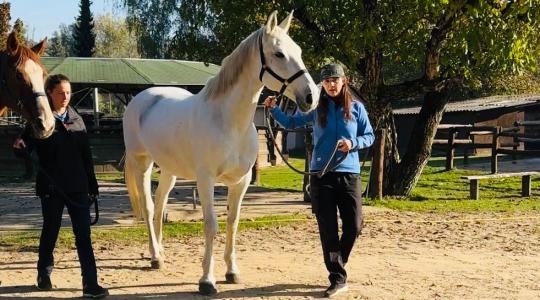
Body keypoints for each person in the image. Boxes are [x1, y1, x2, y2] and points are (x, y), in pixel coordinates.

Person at [264, 63, 374, 298]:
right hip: (321, 175)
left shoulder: (356, 109)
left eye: (335, 80)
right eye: (327, 81)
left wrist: (353, 143)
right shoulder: (316, 108)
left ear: (344, 81)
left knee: (354, 225)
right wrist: (274, 110)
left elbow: (369, 136)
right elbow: (292, 123)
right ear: (322, 84)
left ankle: (338, 262)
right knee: (328, 230)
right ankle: (337, 278)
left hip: (349, 173)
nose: (331, 84)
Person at [13, 74, 109, 299]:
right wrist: (19, 148)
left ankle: (90, 283)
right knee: (50, 232)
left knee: (83, 236)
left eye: (68, 92)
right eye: (60, 93)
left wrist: (92, 184)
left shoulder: (77, 118)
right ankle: (43, 273)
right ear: (49, 95)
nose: (65, 97)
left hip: (77, 187)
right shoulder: (39, 120)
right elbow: (22, 144)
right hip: (52, 186)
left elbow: (86, 156)